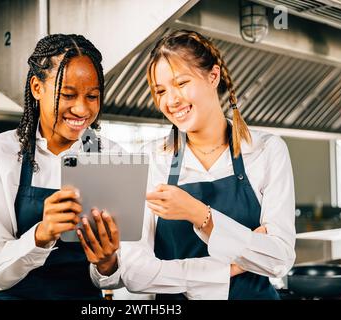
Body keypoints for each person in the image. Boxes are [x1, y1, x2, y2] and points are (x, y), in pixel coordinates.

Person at [82, 29, 296, 300]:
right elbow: (135, 273)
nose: (171, 101)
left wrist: (199, 214)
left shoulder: (266, 151)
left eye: (181, 83)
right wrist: (234, 264)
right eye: (160, 91)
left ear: (213, 76)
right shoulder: (149, 160)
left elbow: (279, 259)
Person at [0, 34, 122, 300]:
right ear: (36, 87)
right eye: (68, 94)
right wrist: (41, 234)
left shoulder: (110, 156)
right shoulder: (0, 153)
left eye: (92, 96)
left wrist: (107, 262)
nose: (82, 109)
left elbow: (114, 277)